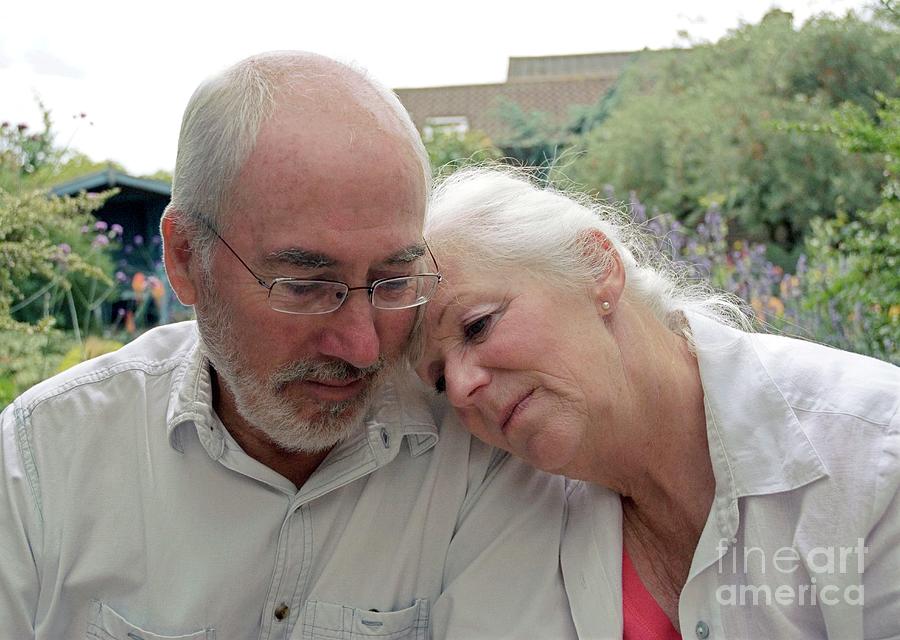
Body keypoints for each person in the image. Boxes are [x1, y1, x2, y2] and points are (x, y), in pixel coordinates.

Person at [0, 54, 577, 638]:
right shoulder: (45, 464)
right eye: (304, 286)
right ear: (185, 259)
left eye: (392, 282)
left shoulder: (476, 454)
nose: (360, 344)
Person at [416, 166, 900, 639]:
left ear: (596, 268)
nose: (460, 388)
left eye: (477, 325)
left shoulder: (873, 449)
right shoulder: (510, 515)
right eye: (439, 380)